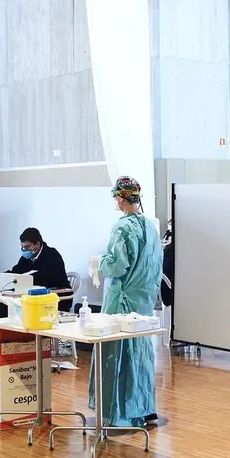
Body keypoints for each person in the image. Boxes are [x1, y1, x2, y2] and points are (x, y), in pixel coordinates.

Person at [88, 176, 162, 427]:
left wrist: (100, 263)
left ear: (121, 198)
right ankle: (146, 408)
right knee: (140, 352)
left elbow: (118, 265)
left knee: (117, 353)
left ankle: (120, 410)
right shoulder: (150, 227)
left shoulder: (123, 228)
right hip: (144, 300)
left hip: (123, 300)